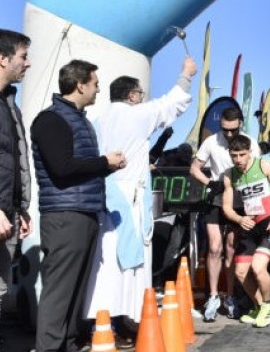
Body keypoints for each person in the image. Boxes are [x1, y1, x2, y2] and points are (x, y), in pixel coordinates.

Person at [84, 56, 196, 342]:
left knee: (105, 262)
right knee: (127, 265)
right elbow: (171, 104)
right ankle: (126, 319)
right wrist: (186, 74)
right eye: (140, 94)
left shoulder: (96, 120)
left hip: (104, 197)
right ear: (132, 95)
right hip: (128, 199)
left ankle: (104, 322)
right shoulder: (135, 114)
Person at [32, 60, 126, 352]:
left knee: (76, 289)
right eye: (95, 83)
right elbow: (61, 167)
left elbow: (75, 167)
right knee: (60, 291)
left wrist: (106, 168)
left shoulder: (78, 118)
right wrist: (103, 163)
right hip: (65, 216)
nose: (98, 89)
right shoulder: (51, 120)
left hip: (82, 212)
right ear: (80, 84)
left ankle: (68, 345)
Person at [0, 29, 32, 352]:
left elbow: (13, 160)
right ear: (2, 58)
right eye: (23, 56)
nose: (27, 64)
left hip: (8, 214)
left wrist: (21, 207)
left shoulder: (9, 102)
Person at [191, 107, 261, 321]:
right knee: (214, 246)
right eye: (225, 130)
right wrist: (210, 183)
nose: (229, 134)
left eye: (233, 130)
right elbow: (194, 168)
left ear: (240, 123)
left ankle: (229, 295)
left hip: (240, 201)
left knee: (231, 249)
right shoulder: (211, 141)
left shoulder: (250, 142)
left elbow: (257, 169)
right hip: (217, 198)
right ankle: (213, 296)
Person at [221, 135, 270, 328]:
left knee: (258, 268)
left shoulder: (264, 166)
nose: (238, 160)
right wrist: (239, 218)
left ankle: (268, 304)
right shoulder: (229, 175)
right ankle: (261, 306)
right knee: (241, 272)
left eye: (242, 155)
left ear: (250, 152)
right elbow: (227, 208)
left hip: (269, 224)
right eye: (234, 155)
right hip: (250, 225)